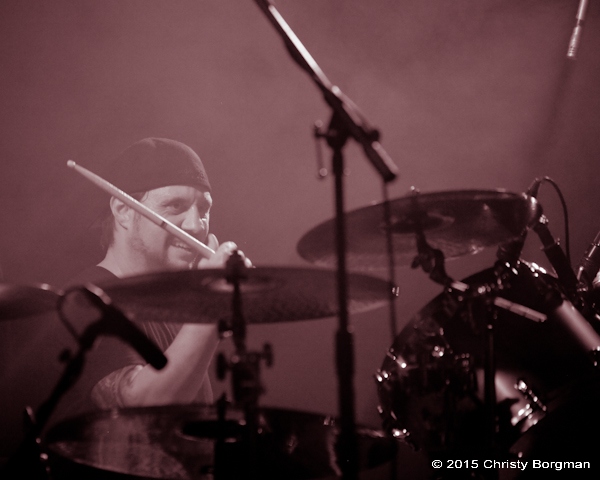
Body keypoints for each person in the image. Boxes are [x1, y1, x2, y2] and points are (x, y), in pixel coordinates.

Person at [54, 137, 250, 419]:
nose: (196, 225)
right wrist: (212, 306)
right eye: (175, 206)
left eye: (203, 209)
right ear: (123, 211)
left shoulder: (175, 312)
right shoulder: (85, 300)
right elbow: (143, 407)